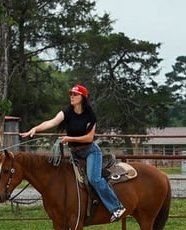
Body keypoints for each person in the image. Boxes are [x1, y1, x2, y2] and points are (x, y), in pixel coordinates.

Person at [21, 84, 126, 222]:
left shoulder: (90, 115)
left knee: (94, 179)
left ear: (82, 98)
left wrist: (69, 139)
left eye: (75, 94)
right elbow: (51, 122)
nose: (72, 96)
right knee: (66, 180)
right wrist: (35, 129)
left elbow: (89, 138)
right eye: (71, 94)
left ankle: (116, 207)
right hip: (75, 154)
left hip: (90, 152)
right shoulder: (67, 112)